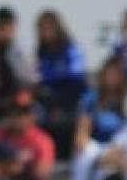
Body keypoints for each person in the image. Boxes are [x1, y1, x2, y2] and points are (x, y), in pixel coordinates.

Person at [70, 58, 127, 180]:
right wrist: (81, 137)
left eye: (115, 74)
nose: (111, 78)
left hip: (117, 145)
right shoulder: (91, 97)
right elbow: (84, 123)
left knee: (108, 161)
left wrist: (117, 148)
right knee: (86, 152)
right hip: (95, 142)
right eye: (109, 74)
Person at [33, 9, 88, 160]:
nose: (46, 32)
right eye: (42, 29)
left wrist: (60, 105)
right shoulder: (41, 53)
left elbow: (77, 79)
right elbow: (40, 80)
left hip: (71, 98)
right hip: (49, 102)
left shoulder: (72, 50)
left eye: (49, 28)